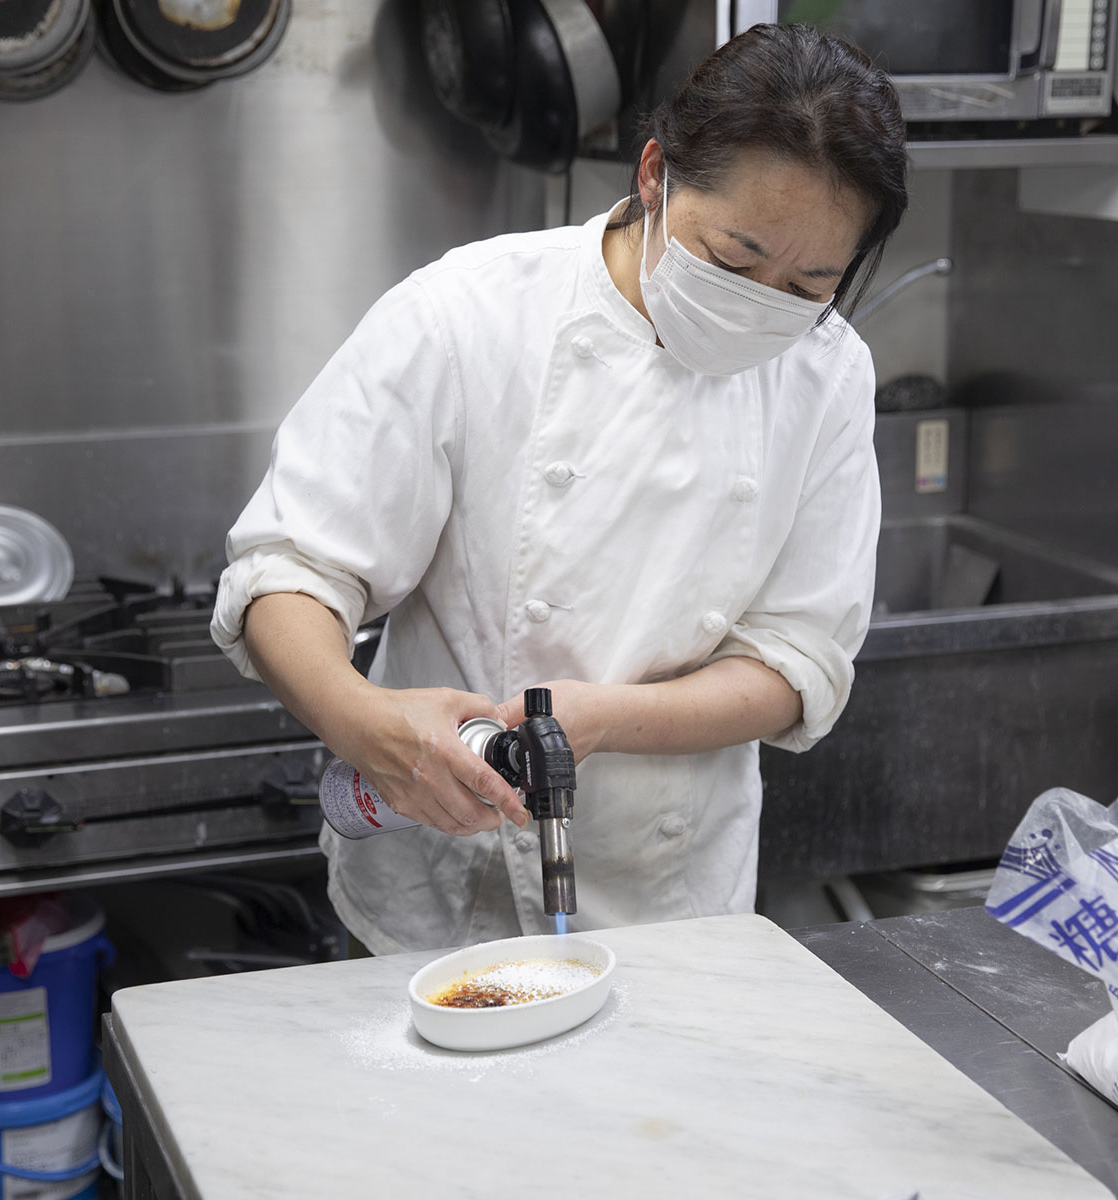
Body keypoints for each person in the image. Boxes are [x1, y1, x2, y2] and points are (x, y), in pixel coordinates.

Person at [211, 22, 909, 955]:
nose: (762, 302)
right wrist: (366, 724)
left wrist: (608, 720)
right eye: (735, 261)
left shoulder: (828, 374)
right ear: (655, 175)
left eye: (807, 284)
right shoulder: (472, 313)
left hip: (675, 900)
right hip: (440, 878)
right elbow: (291, 569)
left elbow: (798, 659)